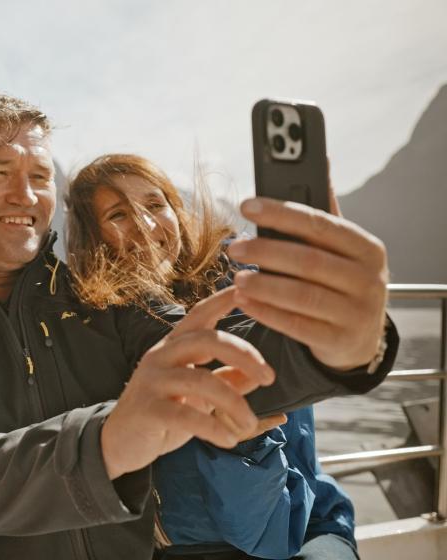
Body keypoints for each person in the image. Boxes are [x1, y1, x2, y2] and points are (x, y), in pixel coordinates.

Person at [0, 95, 398, 560]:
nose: (24, 195)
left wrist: (343, 348)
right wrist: (107, 441)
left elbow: (217, 360)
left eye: (41, 175)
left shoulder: (107, 294)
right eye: (0, 172)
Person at [66, 153, 364, 559]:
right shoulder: (89, 326)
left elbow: (273, 533)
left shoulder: (240, 293)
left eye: (156, 205)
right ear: (92, 237)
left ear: (177, 210)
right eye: (119, 214)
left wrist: (337, 293)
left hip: (296, 523)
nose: (146, 225)